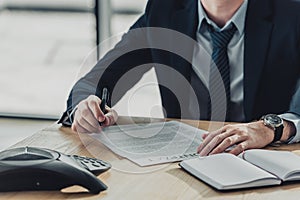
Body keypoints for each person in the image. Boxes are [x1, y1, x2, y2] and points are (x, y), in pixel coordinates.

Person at [59, 0, 300, 156]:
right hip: (187, 160)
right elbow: (95, 80)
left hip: (269, 158)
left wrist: (271, 128)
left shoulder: (291, 13)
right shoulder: (165, 10)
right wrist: (84, 107)